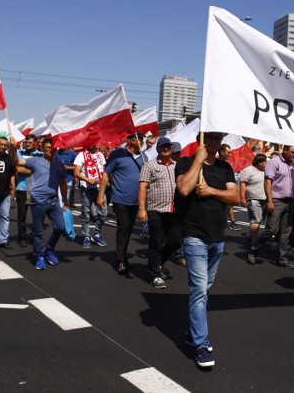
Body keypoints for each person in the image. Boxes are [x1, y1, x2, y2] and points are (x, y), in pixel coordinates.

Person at [174, 131, 239, 368]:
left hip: (217, 237)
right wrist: (198, 160)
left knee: (205, 289)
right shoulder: (185, 162)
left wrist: (212, 191)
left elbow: (235, 197)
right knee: (199, 290)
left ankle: (192, 334)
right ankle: (200, 344)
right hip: (194, 236)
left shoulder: (224, 167)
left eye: (216, 139)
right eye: (208, 138)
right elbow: (183, 189)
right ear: (201, 140)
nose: (213, 142)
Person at [11, 137, 67, 270]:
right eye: (46, 148)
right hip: (38, 201)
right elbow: (17, 161)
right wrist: (13, 149)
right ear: (42, 149)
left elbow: (63, 184)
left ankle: (49, 250)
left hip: (53, 201)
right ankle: (40, 255)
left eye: (51, 148)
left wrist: (66, 202)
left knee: (60, 227)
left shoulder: (60, 165)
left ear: (55, 149)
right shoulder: (35, 161)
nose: (49, 150)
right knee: (38, 231)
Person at [248, 145, 294, 267]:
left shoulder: (293, 165)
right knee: (271, 229)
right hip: (277, 200)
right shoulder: (273, 162)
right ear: (285, 150)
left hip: (290, 201)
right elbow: (267, 182)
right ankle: (254, 250)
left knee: (286, 232)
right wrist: (270, 201)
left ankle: (282, 259)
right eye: (292, 152)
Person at [98, 132, 145, 274]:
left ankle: (123, 257)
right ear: (132, 141)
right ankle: (120, 261)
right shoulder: (118, 154)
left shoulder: (143, 157)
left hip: (136, 201)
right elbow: (106, 174)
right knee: (123, 228)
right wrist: (101, 195)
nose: (142, 143)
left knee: (128, 230)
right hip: (120, 199)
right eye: (140, 140)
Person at [137, 137, 180, 289]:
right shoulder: (149, 166)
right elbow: (142, 188)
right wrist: (142, 210)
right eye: (163, 146)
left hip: (174, 211)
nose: (166, 149)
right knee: (157, 242)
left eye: (168, 146)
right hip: (156, 210)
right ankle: (155, 275)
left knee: (176, 240)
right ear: (158, 149)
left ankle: (159, 262)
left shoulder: (177, 165)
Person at [74, 146, 108, 249]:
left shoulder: (100, 154)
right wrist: (87, 179)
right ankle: (86, 236)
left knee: (103, 213)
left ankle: (96, 234)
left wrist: (107, 180)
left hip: (99, 188)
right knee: (86, 214)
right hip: (87, 188)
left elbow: (104, 170)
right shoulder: (81, 155)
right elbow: (76, 172)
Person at [14, 134, 42, 247]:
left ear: (35, 142)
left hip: (37, 188)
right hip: (22, 188)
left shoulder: (41, 154)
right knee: (22, 215)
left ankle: (34, 235)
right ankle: (22, 237)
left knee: (38, 215)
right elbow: (19, 169)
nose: (27, 144)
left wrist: (33, 170)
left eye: (30, 142)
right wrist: (36, 171)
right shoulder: (20, 153)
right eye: (26, 142)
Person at [239, 154, 267, 251]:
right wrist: (242, 198)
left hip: (265, 199)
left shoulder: (265, 171)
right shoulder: (248, 170)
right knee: (255, 221)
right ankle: (253, 243)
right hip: (254, 199)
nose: (265, 163)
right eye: (263, 161)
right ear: (258, 162)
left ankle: (252, 237)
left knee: (259, 221)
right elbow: (242, 185)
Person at [218, 144, 240, 231]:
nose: (230, 154)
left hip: (224, 197)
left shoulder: (227, 167)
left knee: (221, 221)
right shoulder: (212, 163)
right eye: (228, 152)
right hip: (213, 198)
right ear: (222, 152)